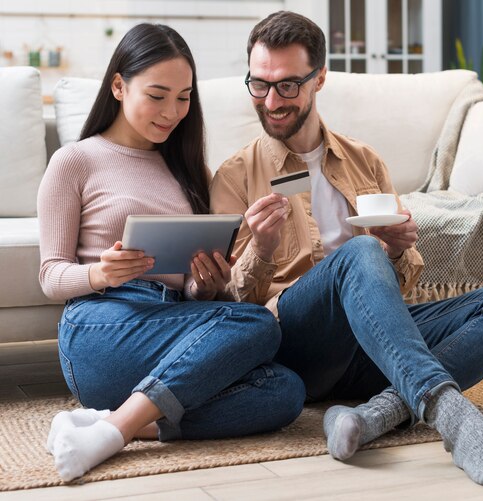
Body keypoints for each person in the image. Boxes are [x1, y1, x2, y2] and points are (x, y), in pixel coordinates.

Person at [210, 11, 483, 487]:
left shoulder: (364, 160)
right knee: (358, 254)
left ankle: (374, 415)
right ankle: (453, 418)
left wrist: (394, 250)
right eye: (259, 85)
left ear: (319, 77)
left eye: (287, 86)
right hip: (298, 343)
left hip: (374, 346)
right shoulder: (234, 176)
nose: (271, 100)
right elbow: (232, 311)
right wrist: (260, 250)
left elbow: (401, 281)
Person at [37, 23, 305, 482]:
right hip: (101, 326)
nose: (172, 112)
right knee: (258, 323)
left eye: (183, 97)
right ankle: (118, 430)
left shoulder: (192, 170)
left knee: (286, 391)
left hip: (171, 329)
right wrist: (100, 273)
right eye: (157, 95)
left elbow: (196, 295)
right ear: (119, 86)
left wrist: (207, 282)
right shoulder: (75, 160)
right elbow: (50, 275)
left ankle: (120, 425)